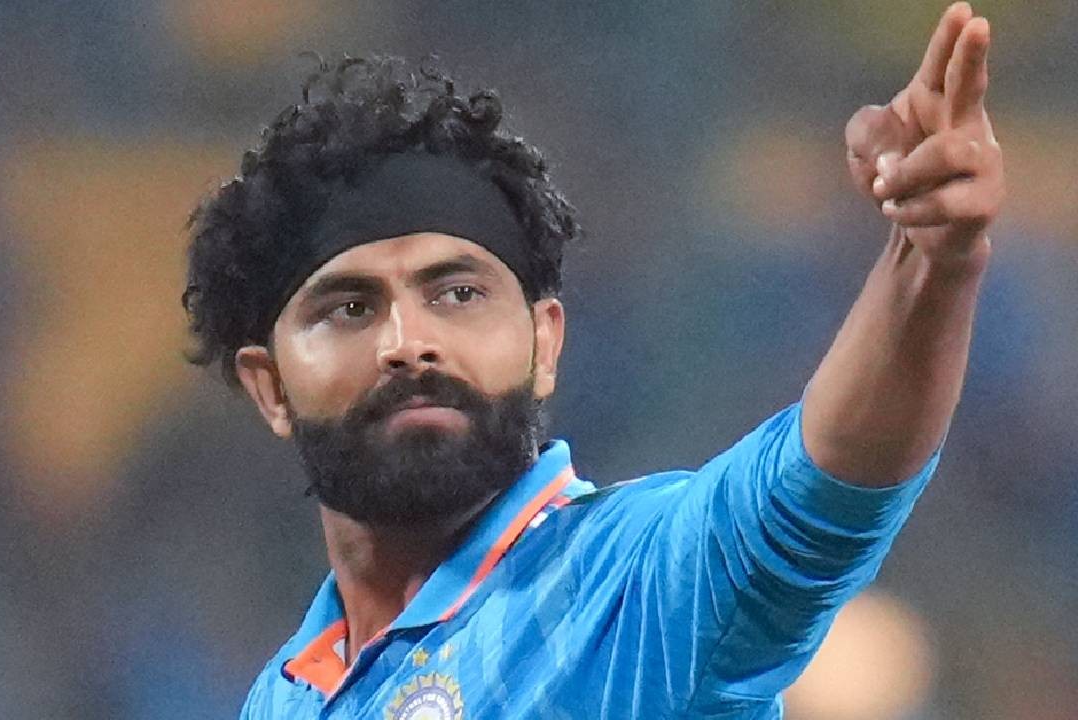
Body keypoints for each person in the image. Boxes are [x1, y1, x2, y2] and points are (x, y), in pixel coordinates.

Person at [181, 3, 1004, 717]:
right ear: (269, 386)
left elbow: (821, 485)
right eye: (350, 308)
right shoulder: (285, 695)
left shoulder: (632, 588)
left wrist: (932, 260)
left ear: (546, 341)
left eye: (458, 293)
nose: (408, 343)